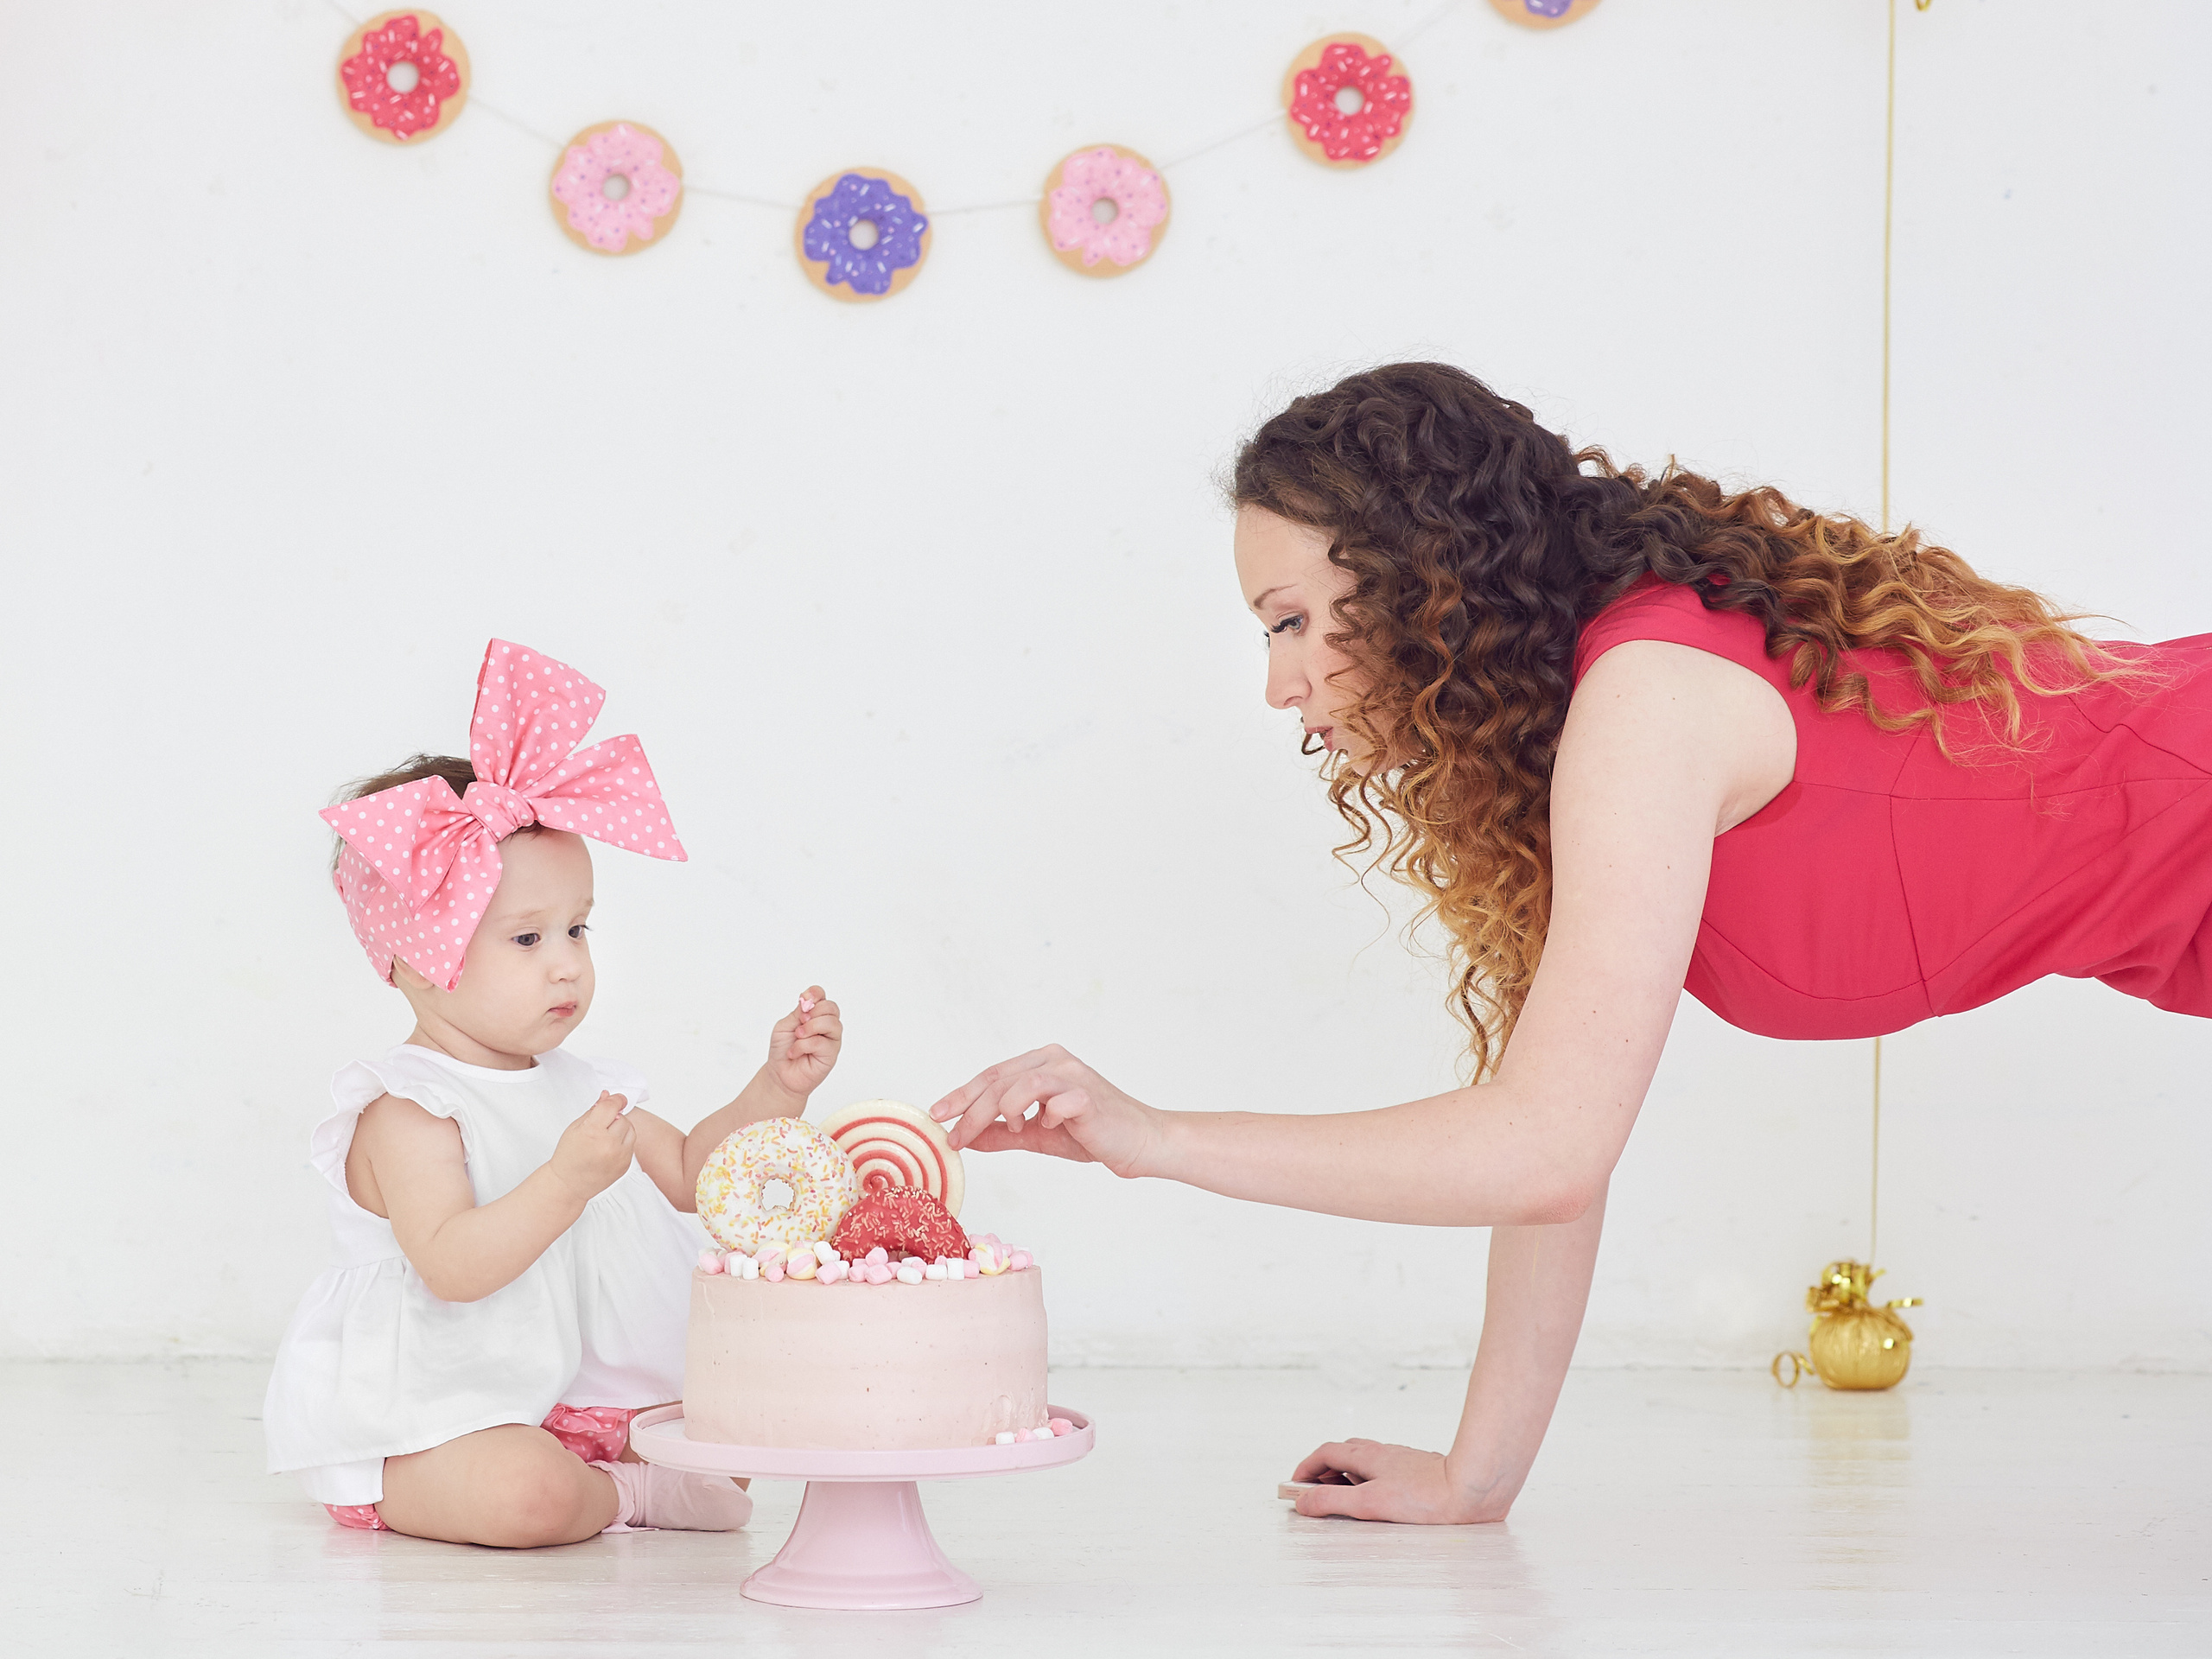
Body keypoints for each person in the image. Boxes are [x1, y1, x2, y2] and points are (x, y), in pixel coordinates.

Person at [931, 361, 2212, 1524]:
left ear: (1419, 575)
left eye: (1292, 620)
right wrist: (1475, 1479)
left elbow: (1545, 1150)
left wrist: (1155, 1139)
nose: (1280, 684)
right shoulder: (1606, 717)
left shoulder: (1651, 698)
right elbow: (1549, 1134)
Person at [264, 639, 844, 1546]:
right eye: (527, 940)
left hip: (568, 1392)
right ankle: (620, 1497)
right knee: (524, 1496)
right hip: (438, 1414)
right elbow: (453, 1267)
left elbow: (696, 1174)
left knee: (728, 1430)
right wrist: (565, 1182)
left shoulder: (581, 1087)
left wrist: (776, 1085)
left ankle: (606, 1471)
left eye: (578, 929)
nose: (568, 964)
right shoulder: (410, 1110)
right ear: (416, 963)